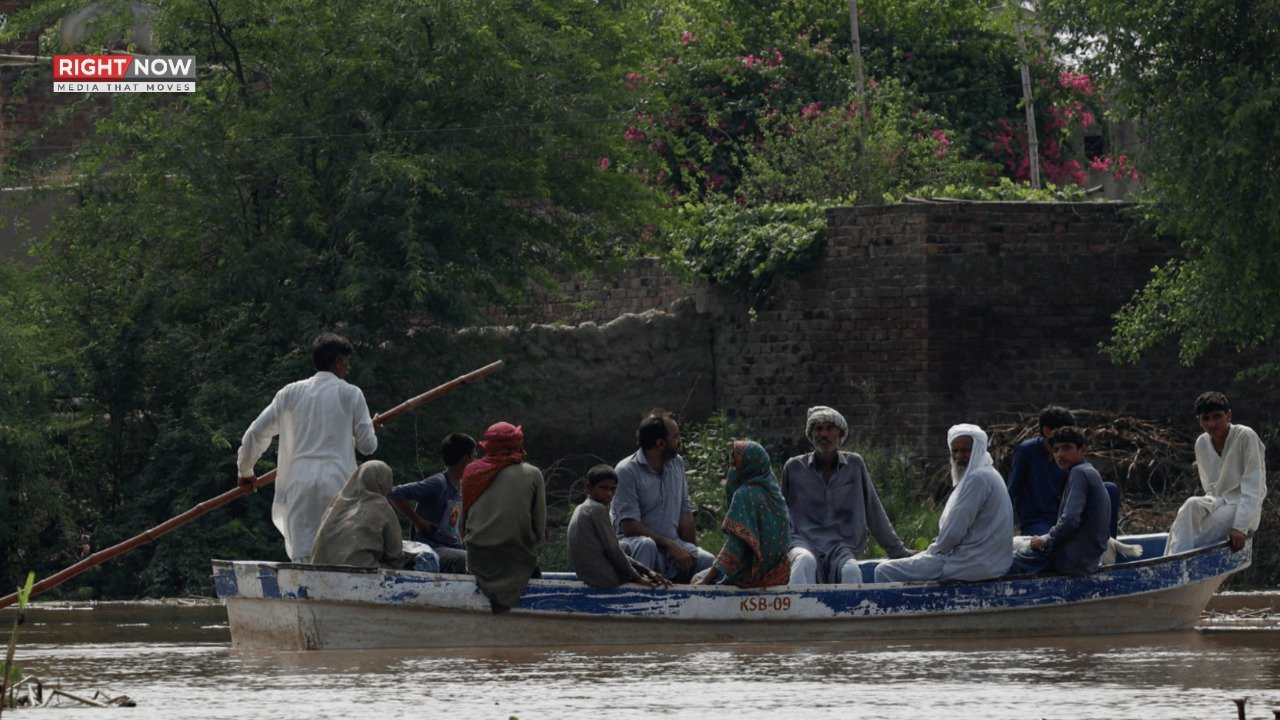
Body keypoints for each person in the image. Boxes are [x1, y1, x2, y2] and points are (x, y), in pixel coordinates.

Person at [237, 332, 378, 562]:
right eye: (347, 362)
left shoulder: (289, 393)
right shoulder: (351, 393)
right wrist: (368, 427)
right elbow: (368, 446)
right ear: (338, 362)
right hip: (338, 483)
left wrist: (246, 471)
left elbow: (255, 433)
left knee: (303, 559)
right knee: (338, 558)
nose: (348, 369)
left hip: (299, 483)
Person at [783, 406, 914, 585]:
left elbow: (873, 512)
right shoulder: (793, 467)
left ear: (840, 433)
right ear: (811, 434)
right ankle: (795, 613)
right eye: (818, 429)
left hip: (841, 546)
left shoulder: (854, 464)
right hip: (804, 543)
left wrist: (898, 552)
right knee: (803, 562)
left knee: (851, 570)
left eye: (830, 428)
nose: (824, 434)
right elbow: (780, 515)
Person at [874, 424, 1014, 583]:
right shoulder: (987, 473)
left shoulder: (977, 479)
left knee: (884, 571)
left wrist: (928, 554)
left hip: (970, 563)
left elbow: (953, 534)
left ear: (978, 450)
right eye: (955, 451)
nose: (959, 456)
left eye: (966, 450)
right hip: (984, 561)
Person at [612, 408, 715, 582]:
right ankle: (637, 604)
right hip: (636, 546)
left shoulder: (677, 463)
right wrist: (670, 544)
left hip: (671, 546)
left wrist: (688, 551)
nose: (679, 441)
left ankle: (690, 606)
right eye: (675, 437)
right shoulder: (626, 471)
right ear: (661, 443)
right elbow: (629, 525)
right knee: (647, 545)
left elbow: (685, 513)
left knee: (707, 562)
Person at [1166, 392, 1267, 555]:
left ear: (1229, 415)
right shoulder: (1201, 442)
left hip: (1243, 506)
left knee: (1195, 540)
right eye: (1205, 418)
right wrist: (1204, 511)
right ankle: (1169, 564)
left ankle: (1174, 566)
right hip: (1219, 501)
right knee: (1190, 505)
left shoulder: (1245, 436)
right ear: (1198, 420)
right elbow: (1211, 489)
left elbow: (1254, 487)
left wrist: (1239, 527)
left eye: (1217, 416)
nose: (1212, 424)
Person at [462, 422, 546, 614]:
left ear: (488, 445)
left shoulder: (471, 471)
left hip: (477, 559)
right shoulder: (532, 473)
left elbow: (465, 520)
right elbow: (539, 529)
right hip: (517, 559)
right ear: (517, 444)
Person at [1010, 426, 1111, 576]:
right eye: (1056, 450)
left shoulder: (1079, 473)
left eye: (1066, 448)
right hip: (1086, 558)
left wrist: (1046, 540)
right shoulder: (1088, 471)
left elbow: (1070, 520)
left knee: (1008, 562)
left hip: (1072, 559)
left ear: (1082, 449)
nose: (1060, 455)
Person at [1008, 405, 1121, 538]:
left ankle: (1108, 544)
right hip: (1038, 521)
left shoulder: (1070, 455)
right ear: (1047, 431)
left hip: (1065, 515)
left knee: (1109, 489)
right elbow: (1011, 490)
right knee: (1050, 541)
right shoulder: (1027, 451)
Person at [694, 440, 792, 588]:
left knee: (696, 578)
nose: (731, 471)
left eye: (735, 466)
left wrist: (706, 579)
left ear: (747, 467)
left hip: (752, 575)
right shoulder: (774, 493)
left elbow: (736, 547)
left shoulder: (744, 494)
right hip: (779, 574)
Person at [567, 465, 669, 589]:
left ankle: (650, 574)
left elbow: (614, 549)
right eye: (603, 488)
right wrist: (638, 578)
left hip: (587, 575)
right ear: (589, 487)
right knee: (623, 547)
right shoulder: (597, 509)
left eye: (613, 489)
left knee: (623, 547)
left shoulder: (582, 507)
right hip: (601, 579)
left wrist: (647, 571)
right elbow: (613, 549)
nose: (609, 494)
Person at [389, 433, 475, 574]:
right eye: (474, 457)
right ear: (465, 460)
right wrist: (418, 521)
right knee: (464, 559)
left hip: (451, 548)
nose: (476, 461)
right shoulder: (438, 483)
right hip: (430, 549)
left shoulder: (461, 487)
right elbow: (395, 493)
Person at [310, 460, 403, 568]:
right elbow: (394, 553)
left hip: (320, 571)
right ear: (385, 481)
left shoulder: (336, 504)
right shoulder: (382, 507)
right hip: (362, 573)